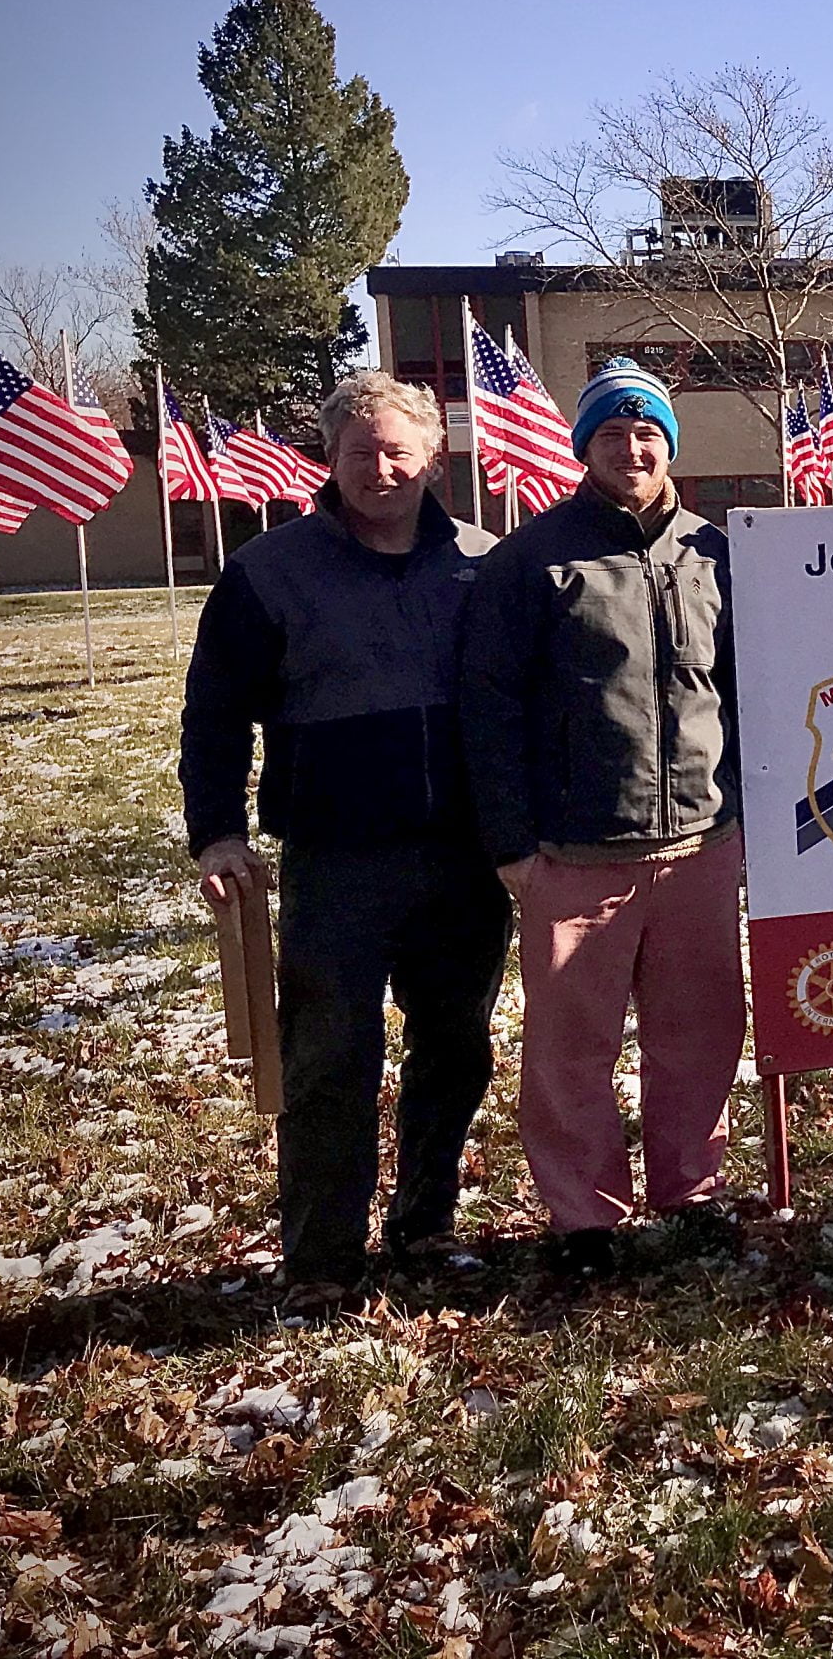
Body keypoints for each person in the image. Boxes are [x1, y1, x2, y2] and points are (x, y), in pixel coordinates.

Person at [178, 373, 508, 1303]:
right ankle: (322, 1261)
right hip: (338, 861)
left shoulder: (483, 563)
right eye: (361, 451)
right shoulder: (268, 572)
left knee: (457, 1047)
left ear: (433, 457)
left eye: (400, 450)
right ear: (332, 458)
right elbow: (214, 713)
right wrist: (216, 832)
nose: (381, 468)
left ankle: (425, 1223)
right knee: (328, 1057)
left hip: (465, 858)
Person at [459, 358, 744, 1279]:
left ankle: (691, 1191)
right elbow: (488, 709)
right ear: (585, 448)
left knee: (700, 1035)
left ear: (670, 445)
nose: (633, 449)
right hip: (576, 851)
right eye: (613, 434)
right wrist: (512, 846)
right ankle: (585, 1216)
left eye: (648, 432)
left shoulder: (717, 553)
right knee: (570, 1049)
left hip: (701, 840)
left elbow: (750, 691)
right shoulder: (530, 560)